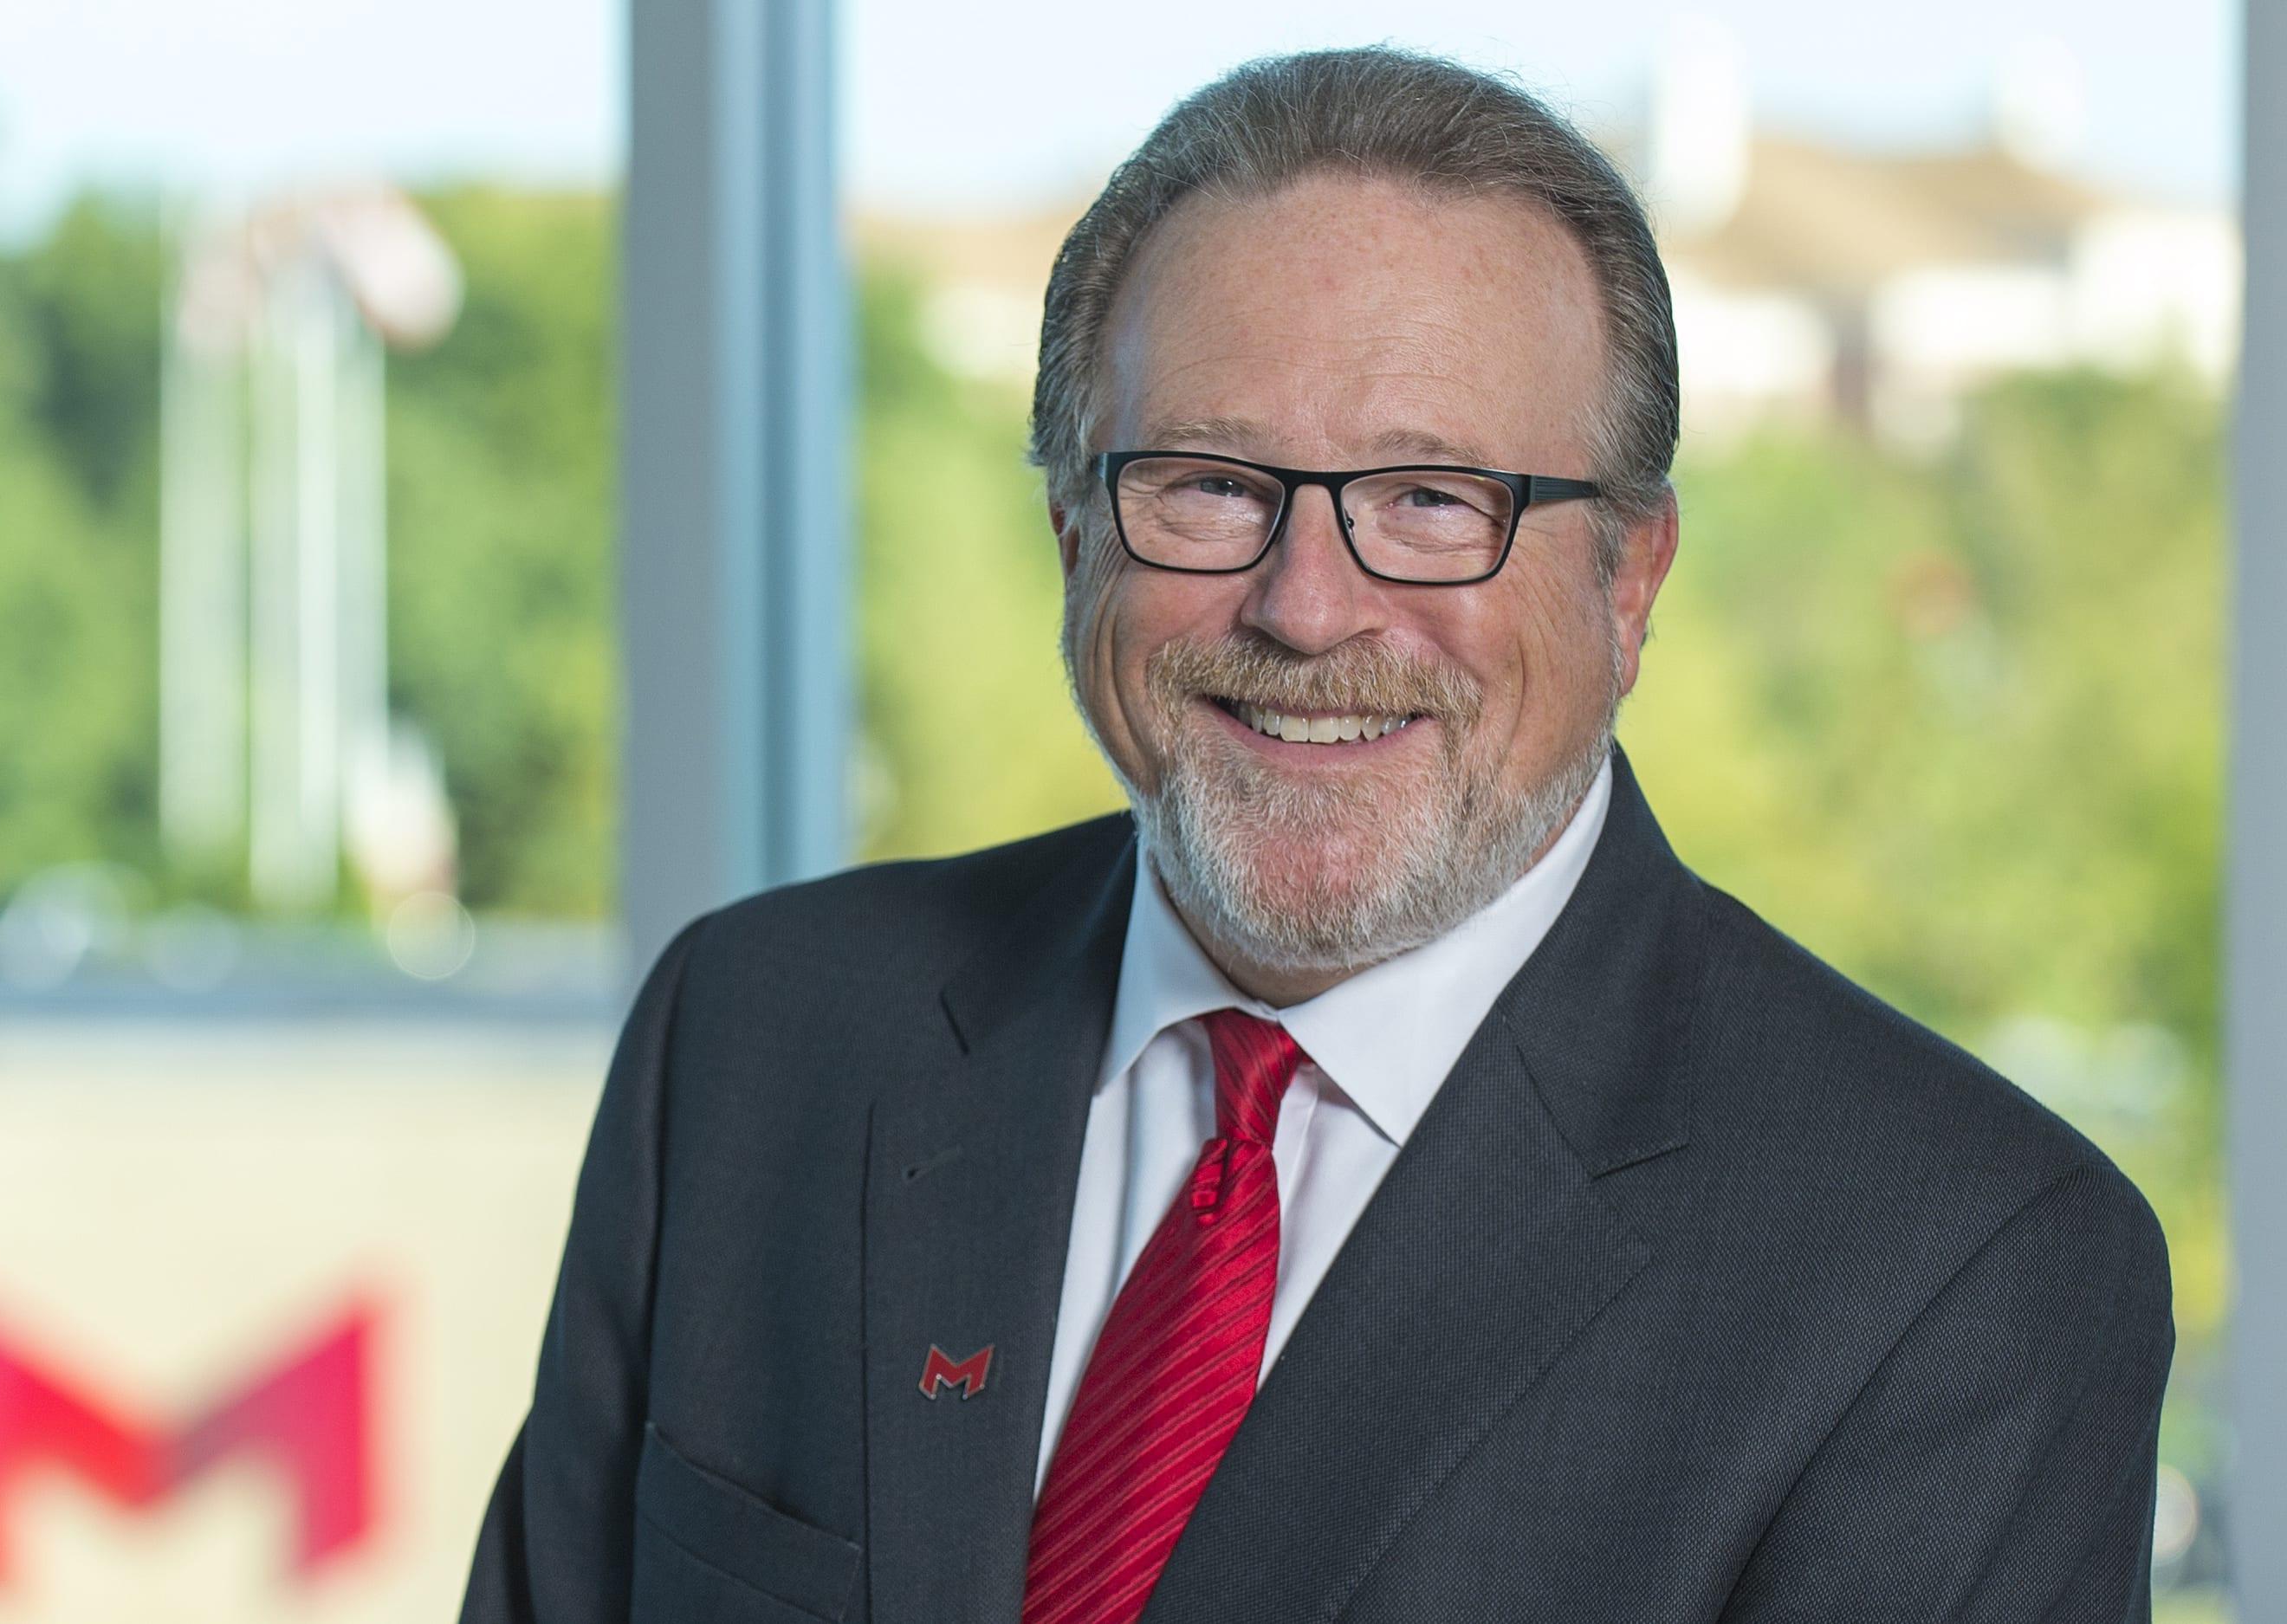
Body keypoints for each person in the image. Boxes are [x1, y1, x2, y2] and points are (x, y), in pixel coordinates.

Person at [461, 46, 2174, 1624]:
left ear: (1627, 578)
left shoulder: (1957, 1274)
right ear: (1072, 535)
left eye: (1432, 499)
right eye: (1206, 481)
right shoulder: (759, 1034)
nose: (1304, 604)